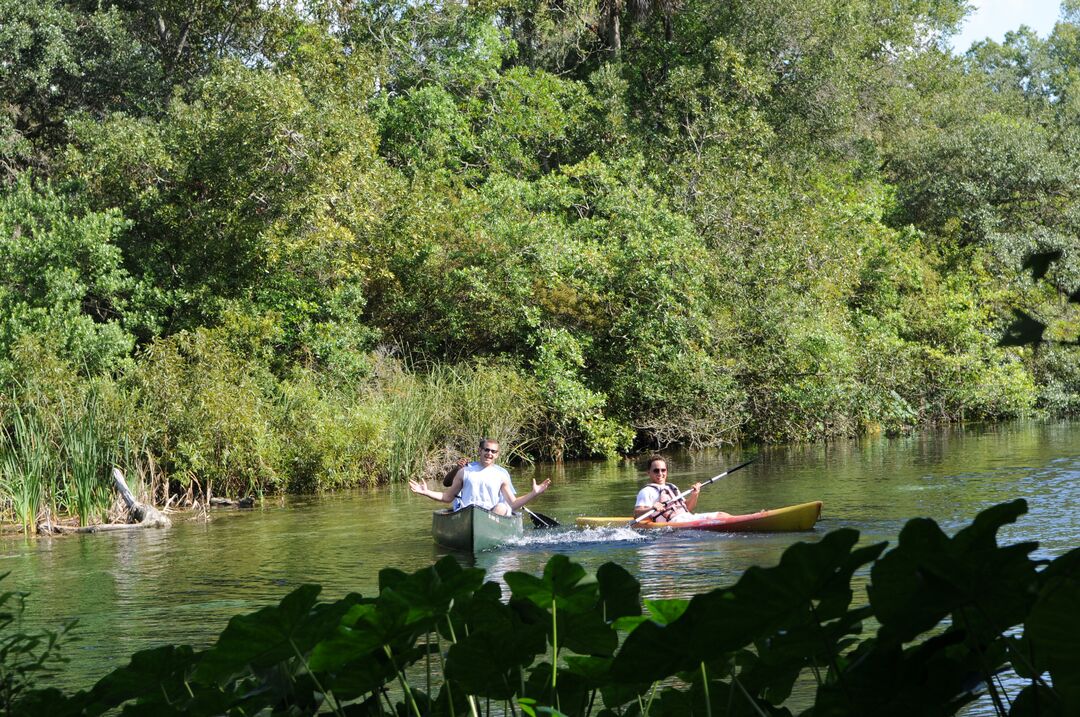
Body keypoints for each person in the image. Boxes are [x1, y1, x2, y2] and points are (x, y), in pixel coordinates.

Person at [409, 438, 550, 516]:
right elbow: (447, 497)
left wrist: (534, 493)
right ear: (480, 451)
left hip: (492, 515)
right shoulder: (465, 472)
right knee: (471, 510)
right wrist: (426, 492)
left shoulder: (502, 475)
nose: (489, 453)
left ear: (497, 455)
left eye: (493, 451)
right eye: (486, 450)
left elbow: (513, 504)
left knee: (502, 507)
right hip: (469, 513)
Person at [633, 455, 731, 523]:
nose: (660, 473)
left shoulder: (672, 487)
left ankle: (742, 522)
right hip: (674, 523)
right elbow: (637, 514)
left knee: (722, 515)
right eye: (656, 470)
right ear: (648, 472)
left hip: (688, 518)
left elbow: (687, 508)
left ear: (666, 471)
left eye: (663, 470)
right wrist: (653, 508)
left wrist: (694, 494)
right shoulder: (646, 492)